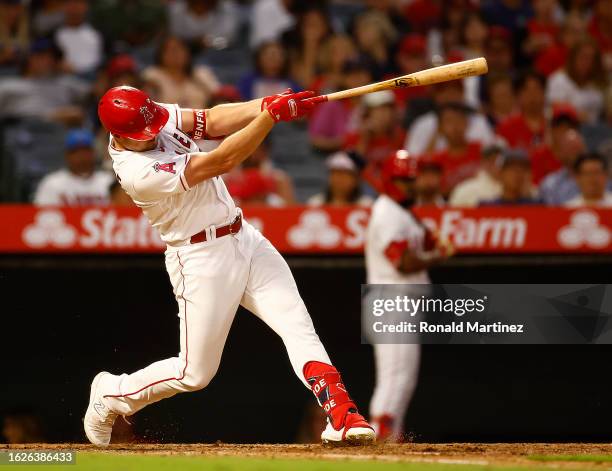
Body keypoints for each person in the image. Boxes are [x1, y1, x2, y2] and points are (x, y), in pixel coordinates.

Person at [85, 86, 375, 447]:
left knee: (296, 325)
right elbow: (219, 161)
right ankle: (112, 392)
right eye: (144, 134)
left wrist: (268, 104)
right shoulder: (136, 172)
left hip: (244, 237)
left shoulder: (148, 113)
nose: (155, 131)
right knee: (194, 373)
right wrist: (271, 117)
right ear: (119, 135)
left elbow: (212, 121)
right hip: (199, 258)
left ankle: (342, 413)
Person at [365, 150, 453, 442]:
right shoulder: (387, 212)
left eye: (411, 180)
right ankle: (380, 435)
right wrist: (436, 256)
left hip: (401, 300)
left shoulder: (401, 212)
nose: (410, 186)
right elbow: (402, 262)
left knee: (403, 377)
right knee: (395, 377)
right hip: (392, 298)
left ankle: (391, 436)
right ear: (390, 181)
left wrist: (430, 241)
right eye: (404, 181)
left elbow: (419, 240)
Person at [0, 38, 89, 125]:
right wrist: (52, 116)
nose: (48, 61)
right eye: (42, 56)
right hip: (21, 131)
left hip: (59, 133)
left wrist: (74, 71)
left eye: (52, 57)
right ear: (28, 58)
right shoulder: (9, 85)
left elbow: (96, 93)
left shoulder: (66, 82)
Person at [33, 129, 113, 206]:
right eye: (75, 151)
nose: (81, 155)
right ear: (67, 155)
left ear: (94, 153)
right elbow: (42, 215)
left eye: (86, 150)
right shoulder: (52, 183)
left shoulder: (108, 181)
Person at [143, 36, 220, 109]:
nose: (175, 54)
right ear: (161, 55)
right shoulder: (153, 74)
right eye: (170, 50)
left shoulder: (201, 74)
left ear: (188, 53)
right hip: (166, 120)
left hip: (201, 119)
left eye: (179, 50)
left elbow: (218, 97)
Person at [546, 39, 607, 124]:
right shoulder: (559, 80)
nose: (588, 62)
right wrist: (576, 114)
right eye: (584, 57)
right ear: (573, 57)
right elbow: (554, 108)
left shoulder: (597, 83)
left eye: (592, 58)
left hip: (597, 130)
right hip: (567, 129)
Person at [428, 102, 483, 194]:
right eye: (449, 121)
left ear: (467, 123)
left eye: (459, 120)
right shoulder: (435, 161)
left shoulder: (482, 150)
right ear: (440, 127)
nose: (455, 126)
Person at [496, 71, 547, 152]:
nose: (532, 95)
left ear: (544, 93)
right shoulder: (506, 127)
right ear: (518, 95)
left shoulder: (554, 123)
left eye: (537, 89)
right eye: (527, 90)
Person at [54, 0, 103, 75]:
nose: (75, 6)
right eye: (71, 2)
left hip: (92, 78)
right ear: (63, 6)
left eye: (79, 2)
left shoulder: (97, 34)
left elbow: (101, 63)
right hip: (62, 79)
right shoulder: (54, 34)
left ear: (86, 6)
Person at [307, 151, 373, 207]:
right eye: (335, 174)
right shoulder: (315, 203)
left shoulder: (366, 205)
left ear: (356, 179)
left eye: (344, 175)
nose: (339, 179)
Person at [539, 129, 586, 205]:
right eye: (570, 148)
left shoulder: (601, 180)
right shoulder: (550, 184)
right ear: (560, 152)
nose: (574, 152)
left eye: (577, 148)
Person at [168, 0, 240, 50]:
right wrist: (193, 42)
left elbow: (229, 42)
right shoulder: (176, 9)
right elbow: (175, 37)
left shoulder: (228, 10)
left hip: (219, 55)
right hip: (185, 51)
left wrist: (211, 42)